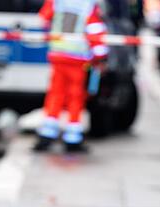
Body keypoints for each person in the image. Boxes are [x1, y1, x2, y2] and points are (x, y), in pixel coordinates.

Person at [34, 0, 109, 153]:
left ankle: (47, 135)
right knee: (76, 97)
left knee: (55, 95)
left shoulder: (57, 2)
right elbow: (95, 32)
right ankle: (72, 138)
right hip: (78, 58)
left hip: (58, 55)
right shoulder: (88, 5)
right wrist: (100, 58)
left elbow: (43, 19)